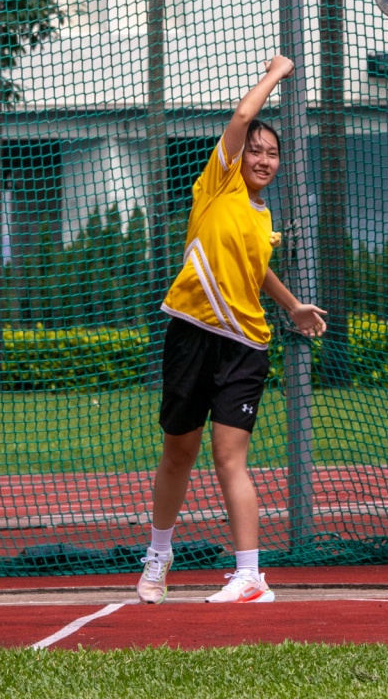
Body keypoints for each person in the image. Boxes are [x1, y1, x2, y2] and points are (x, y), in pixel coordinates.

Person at [138, 54, 326, 605]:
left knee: (230, 458)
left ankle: (250, 577)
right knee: (178, 453)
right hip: (191, 334)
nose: (264, 159)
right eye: (256, 151)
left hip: (245, 346)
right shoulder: (217, 186)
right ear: (238, 156)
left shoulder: (263, 218)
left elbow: (254, 270)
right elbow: (243, 118)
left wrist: (292, 306)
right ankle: (158, 556)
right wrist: (275, 74)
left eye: (273, 154)